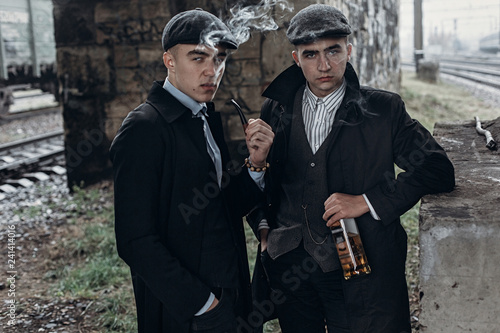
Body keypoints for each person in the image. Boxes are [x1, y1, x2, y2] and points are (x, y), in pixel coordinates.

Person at [248, 4, 455, 333]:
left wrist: (367, 201)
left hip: (352, 258)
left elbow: (437, 167)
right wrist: (257, 181)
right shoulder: (275, 107)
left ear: (349, 50)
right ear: (296, 58)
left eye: (333, 50)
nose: (324, 64)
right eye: (311, 54)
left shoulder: (382, 109)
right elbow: (268, 184)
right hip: (287, 257)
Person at [109, 8, 274, 333]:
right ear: (169, 60)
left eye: (220, 59)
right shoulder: (144, 128)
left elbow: (222, 207)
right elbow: (135, 240)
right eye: (198, 58)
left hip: (232, 295)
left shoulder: (204, 118)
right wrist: (203, 305)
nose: (212, 71)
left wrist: (255, 163)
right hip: (185, 311)